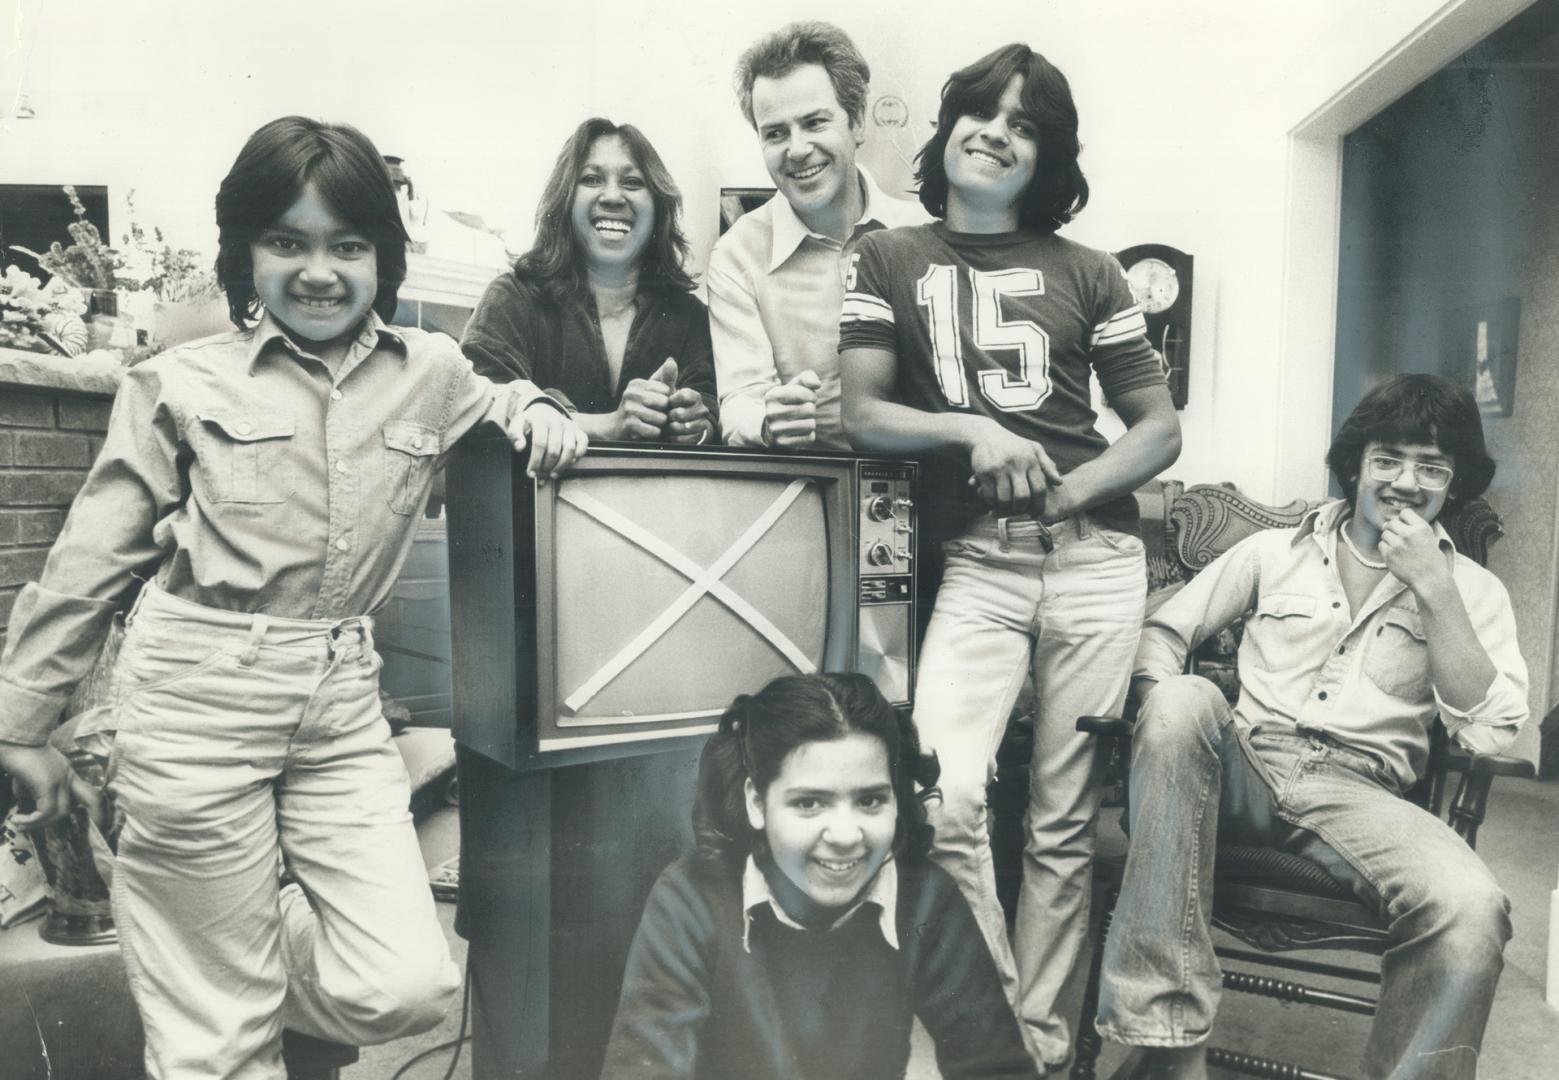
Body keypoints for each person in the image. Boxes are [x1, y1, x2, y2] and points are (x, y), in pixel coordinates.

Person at [0, 116, 587, 1079]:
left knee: (404, 983)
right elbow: (89, 559)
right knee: (218, 1046)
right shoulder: (176, 384)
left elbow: (500, 402)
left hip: (339, 702)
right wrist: (22, 724)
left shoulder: (429, 373)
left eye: (347, 246)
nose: (319, 271)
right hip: (194, 697)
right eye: (287, 243)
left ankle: (207, 933)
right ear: (245, 253)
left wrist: (538, 411)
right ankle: (202, 944)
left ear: (383, 258)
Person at [840, 43, 1181, 1068]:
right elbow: (861, 411)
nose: (994, 131)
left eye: (1024, 123)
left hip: (1091, 562)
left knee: (1061, 823)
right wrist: (970, 433)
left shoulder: (1092, 270)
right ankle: (992, 1033)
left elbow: (1156, 429)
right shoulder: (885, 256)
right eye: (980, 111)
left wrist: (1068, 492)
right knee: (940, 792)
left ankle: (1034, 1050)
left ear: (1047, 158)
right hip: (978, 568)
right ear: (944, 131)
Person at [1096, 374, 1527, 1080]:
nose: (1405, 482)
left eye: (1431, 466)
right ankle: (1168, 1045)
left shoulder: (1472, 592)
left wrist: (1434, 589)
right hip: (1243, 768)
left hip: (1363, 797)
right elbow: (1162, 633)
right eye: (1387, 458)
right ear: (1355, 464)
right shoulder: (1274, 552)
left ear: (1455, 484)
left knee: (1470, 907)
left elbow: (1485, 733)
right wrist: (1162, 723)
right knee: (1180, 701)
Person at [601, 673, 1038, 1080]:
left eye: (870, 801)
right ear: (756, 801)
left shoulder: (925, 897)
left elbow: (995, 1067)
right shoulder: (692, 899)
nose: (846, 836)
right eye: (809, 803)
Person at [708, 21, 924, 451]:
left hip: (934, 490)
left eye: (814, 123)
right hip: (810, 490)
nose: (797, 149)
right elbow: (739, 402)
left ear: (857, 121)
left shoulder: (922, 233)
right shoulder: (737, 254)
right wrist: (769, 421)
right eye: (775, 133)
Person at [462, 117, 716, 445]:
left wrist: (694, 425)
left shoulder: (690, 318)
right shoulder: (512, 300)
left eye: (633, 182)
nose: (612, 196)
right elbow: (475, 407)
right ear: (564, 201)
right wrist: (609, 426)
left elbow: (711, 412)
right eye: (592, 179)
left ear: (658, 207)